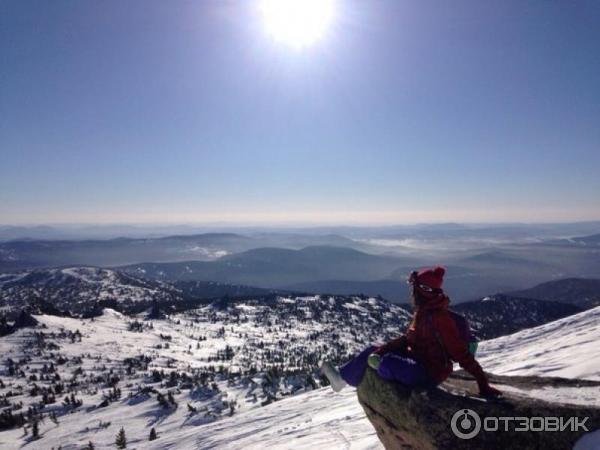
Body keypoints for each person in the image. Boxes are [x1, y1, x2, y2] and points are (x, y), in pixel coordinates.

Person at [320, 266, 502, 397]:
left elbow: (461, 354)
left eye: (413, 287)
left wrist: (482, 384)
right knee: (372, 350)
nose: (411, 292)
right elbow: (408, 339)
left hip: (429, 373)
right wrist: (380, 350)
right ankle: (341, 379)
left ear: (422, 291)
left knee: (387, 363)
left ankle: (387, 379)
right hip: (416, 358)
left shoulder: (440, 319)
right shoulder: (424, 312)